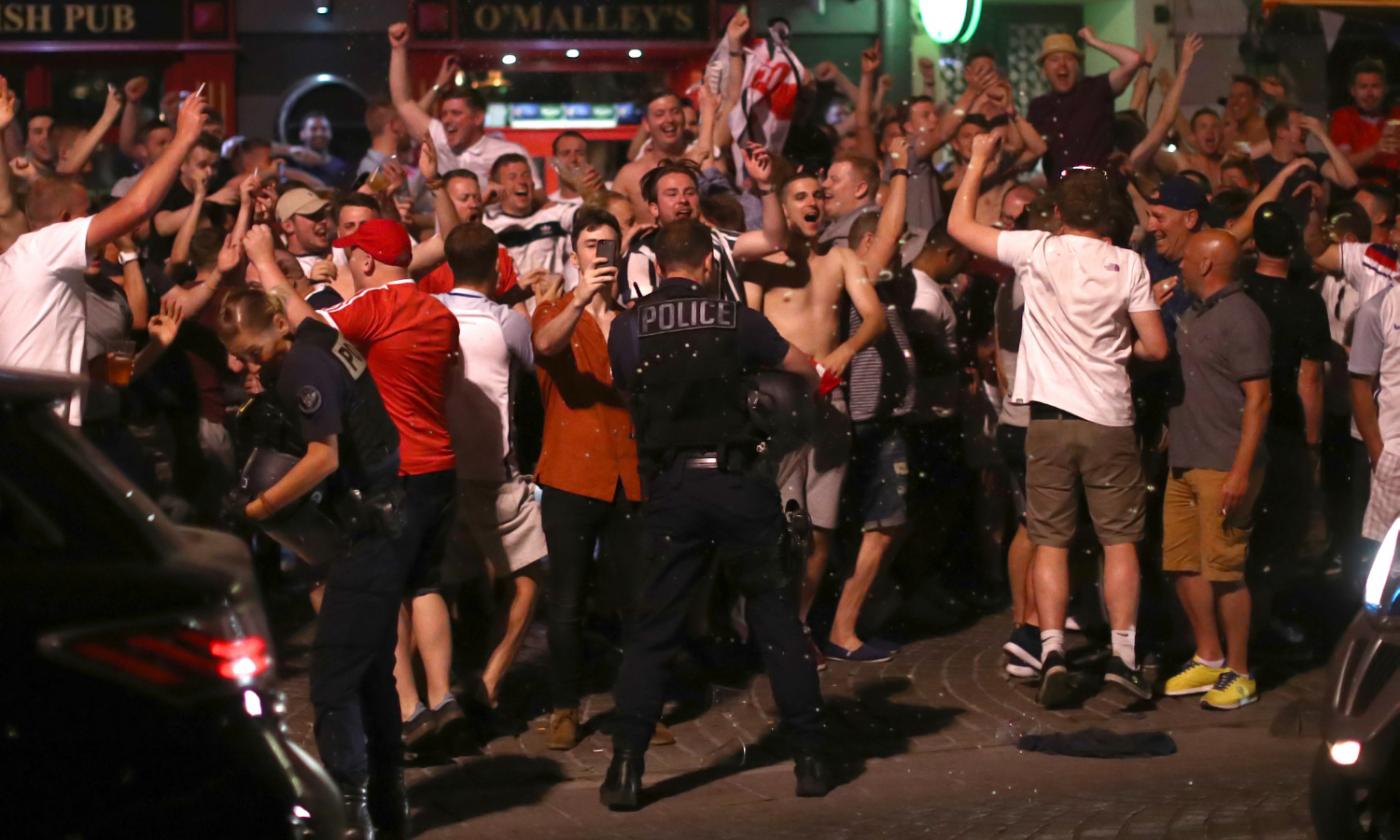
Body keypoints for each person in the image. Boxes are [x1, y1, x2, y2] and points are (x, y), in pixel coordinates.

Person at [602, 219, 829, 809]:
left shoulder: (629, 326)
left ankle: (625, 768)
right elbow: (804, 367)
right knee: (778, 622)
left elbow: (630, 386)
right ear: (708, 265)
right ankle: (810, 757)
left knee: (653, 631)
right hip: (738, 481)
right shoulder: (736, 318)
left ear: (656, 268)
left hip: (671, 486)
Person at [948, 133, 1168, 708]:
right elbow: (1157, 348)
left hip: (1047, 420)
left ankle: (1051, 650)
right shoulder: (1129, 264)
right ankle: (1122, 656)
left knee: (1051, 540)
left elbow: (959, 228)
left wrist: (975, 163)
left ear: (1062, 211)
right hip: (1110, 419)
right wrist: (1121, 347)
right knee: (1119, 542)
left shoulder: (1038, 251)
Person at [246, 218, 465, 750]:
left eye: (350, 256)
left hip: (395, 471)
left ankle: (410, 712)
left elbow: (308, 326)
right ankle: (444, 699)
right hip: (441, 462)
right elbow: (453, 383)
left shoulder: (373, 308)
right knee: (428, 585)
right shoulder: (440, 312)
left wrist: (265, 260)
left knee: (384, 594)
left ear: (366, 261)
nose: (346, 264)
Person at [217, 286, 408, 837]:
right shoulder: (315, 337)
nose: (251, 363)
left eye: (254, 351)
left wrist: (259, 506)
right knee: (370, 674)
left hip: (366, 532)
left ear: (278, 321)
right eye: (242, 356)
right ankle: (387, 811)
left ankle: (350, 815)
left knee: (331, 682)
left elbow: (325, 457)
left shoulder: (302, 363)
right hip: (383, 518)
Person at [742, 169, 890, 659]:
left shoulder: (842, 258)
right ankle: (765, 628)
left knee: (821, 530)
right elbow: (747, 334)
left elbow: (875, 316)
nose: (812, 203)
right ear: (784, 209)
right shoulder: (764, 267)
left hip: (830, 405)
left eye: (818, 196)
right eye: (800, 196)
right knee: (782, 526)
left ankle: (800, 628)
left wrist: (846, 351)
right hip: (779, 407)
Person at [0, 90, 209, 426]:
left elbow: (104, 374)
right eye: (89, 216)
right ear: (67, 220)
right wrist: (184, 137)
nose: (99, 228)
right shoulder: (46, 248)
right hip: (38, 440)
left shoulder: (38, 271)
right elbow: (136, 209)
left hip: (46, 436)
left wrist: (156, 347)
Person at [530, 206, 658, 750]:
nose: (599, 254)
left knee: (638, 602)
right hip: (570, 476)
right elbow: (544, 347)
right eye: (590, 244)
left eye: (608, 245)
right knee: (567, 603)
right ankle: (564, 706)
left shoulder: (636, 317)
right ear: (574, 253)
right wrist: (582, 296)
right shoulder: (554, 310)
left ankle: (641, 707)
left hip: (630, 476)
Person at [436, 222, 548, 708]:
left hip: (442, 468)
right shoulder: (507, 323)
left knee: (446, 580)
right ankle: (492, 676)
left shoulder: (430, 311)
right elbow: (532, 365)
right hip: (495, 472)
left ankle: (442, 684)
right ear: (496, 266)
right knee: (531, 575)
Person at [1160, 231, 1272, 711]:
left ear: (1206, 265)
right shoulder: (1193, 310)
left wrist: (1240, 471)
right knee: (1182, 564)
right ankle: (1208, 656)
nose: (1179, 264)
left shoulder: (1243, 316)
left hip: (1224, 462)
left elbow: (1259, 399)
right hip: (1185, 458)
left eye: (1186, 259)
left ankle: (1240, 671)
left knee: (1225, 571)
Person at [388, 22, 538, 190]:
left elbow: (538, 196)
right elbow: (403, 103)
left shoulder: (510, 154)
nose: (447, 120)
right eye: (444, 114)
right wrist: (398, 49)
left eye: (456, 113)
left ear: (478, 118)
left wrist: (501, 191)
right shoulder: (439, 139)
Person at [623, 150, 786, 302]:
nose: (683, 200)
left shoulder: (719, 240)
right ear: (654, 208)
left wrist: (766, 186)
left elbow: (774, 241)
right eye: (672, 194)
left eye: (690, 192)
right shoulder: (642, 254)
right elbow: (642, 317)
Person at [1027, 27, 1144, 182]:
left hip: (1099, 192)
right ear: (1044, 71)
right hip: (1060, 195)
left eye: (1069, 59)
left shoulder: (1095, 89)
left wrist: (1095, 42)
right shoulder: (1038, 107)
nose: (1062, 65)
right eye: (1054, 59)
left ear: (1078, 66)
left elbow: (1134, 60)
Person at [614, 90, 695, 222]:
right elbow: (606, 229)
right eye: (659, 114)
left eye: (675, 112)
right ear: (646, 124)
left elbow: (726, 220)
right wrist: (623, 243)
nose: (669, 120)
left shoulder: (705, 164)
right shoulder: (629, 175)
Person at [1329, 59, 1400, 179]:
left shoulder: (1397, 115)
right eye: (1363, 87)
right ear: (1353, 90)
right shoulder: (1343, 117)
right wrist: (1376, 149)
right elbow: (1342, 164)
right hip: (1359, 189)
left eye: (1375, 86)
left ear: (1385, 89)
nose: (1369, 93)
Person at [276, 187, 334, 276]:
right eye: (313, 215)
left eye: (322, 214)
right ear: (288, 226)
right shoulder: (283, 271)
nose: (323, 221)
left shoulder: (341, 251)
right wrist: (312, 285)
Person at [297, 112, 350, 187]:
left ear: (330, 133)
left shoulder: (341, 167)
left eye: (324, 129)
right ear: (302, 134)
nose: (319, 133)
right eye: (313, 129)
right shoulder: (293, 165)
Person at [1223, 75, 1270, 155]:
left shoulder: (1269, 129)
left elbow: (1251, 152)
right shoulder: (1228, 133)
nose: (1235, 102)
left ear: (1257, 101)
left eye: (1242, 96)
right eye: (1232, 96)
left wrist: (1232, 145)